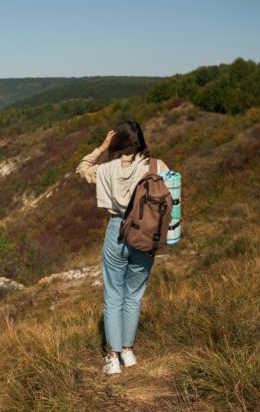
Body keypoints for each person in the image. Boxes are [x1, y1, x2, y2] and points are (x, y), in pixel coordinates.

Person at [75, 120, 169, 375]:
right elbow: (171, 198)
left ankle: (113, 357)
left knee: (113, 295)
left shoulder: (106, 170)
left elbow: (82, 167)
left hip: (117, 232)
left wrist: (102, 147)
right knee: (134, 295)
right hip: (146, 234)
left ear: (117, 142)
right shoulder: (156, 166)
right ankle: (128, 351)